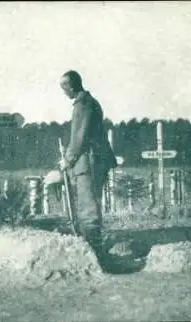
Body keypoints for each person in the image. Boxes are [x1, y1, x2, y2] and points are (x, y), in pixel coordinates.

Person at [57, 70, 117, 264]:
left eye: (64, 87)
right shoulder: (89, 102)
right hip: (92, 161)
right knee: (90, 205)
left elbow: (79, 137)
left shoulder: (83, 104)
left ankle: (95, 255)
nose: (63, 92)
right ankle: (94, 250)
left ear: (72, 85)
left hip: (88, 162)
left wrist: (68, 159)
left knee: (88, 208)